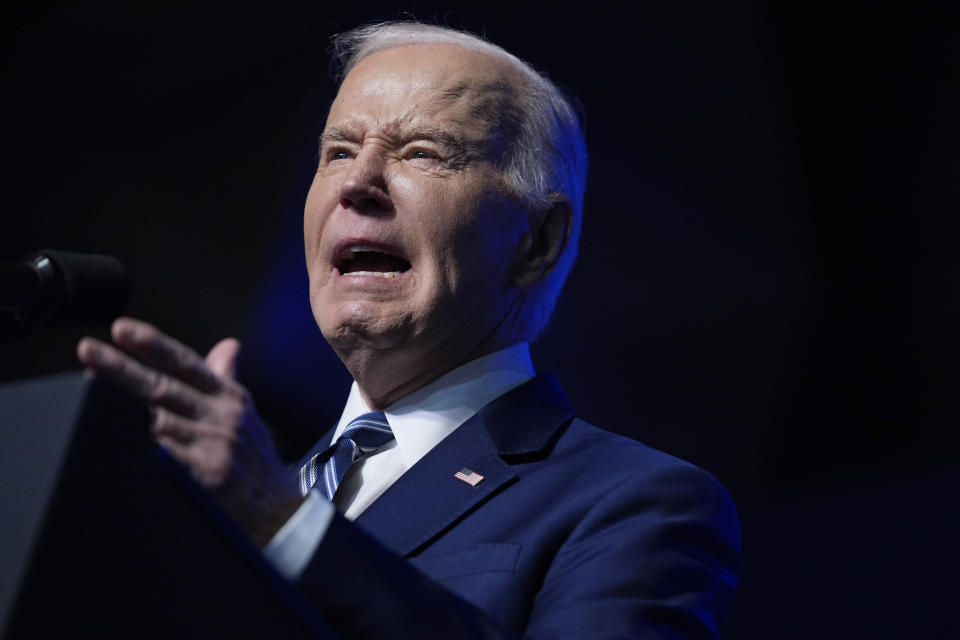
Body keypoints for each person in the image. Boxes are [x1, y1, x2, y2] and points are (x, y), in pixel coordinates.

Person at [77, 21, 740, 639]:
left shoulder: (636, 504)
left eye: (422, 153)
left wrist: (288, 527)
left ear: (537, 240)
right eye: (337, 151)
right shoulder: (238, 493)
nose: (357, 183)